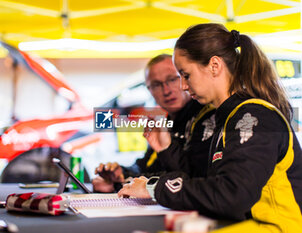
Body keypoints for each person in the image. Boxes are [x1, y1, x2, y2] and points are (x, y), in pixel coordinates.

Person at [118, 23, 302, 232]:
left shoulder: (253, 116)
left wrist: (154, 188)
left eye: (185, 75)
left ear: (215, 65)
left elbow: (233, 195)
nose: (183, 86)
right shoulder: (230, 116)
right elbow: (207, 184)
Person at [93, 54, 215, 193]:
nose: (166, 90)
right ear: (149, 90)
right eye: (157, 85)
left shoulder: (208, 117)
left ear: (185, 78)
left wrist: (125, 182)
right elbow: (147, 167)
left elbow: (191, 178)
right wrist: (121, 175)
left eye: (172, 79)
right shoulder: (168, 122)